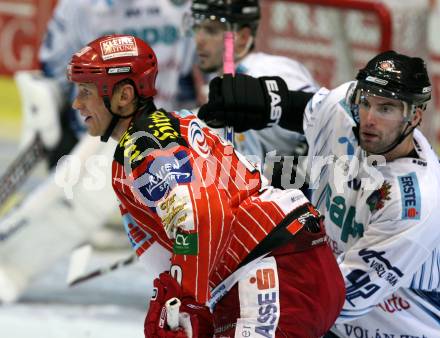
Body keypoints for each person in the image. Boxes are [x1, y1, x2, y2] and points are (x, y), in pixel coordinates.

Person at [68, 34, 345, 337]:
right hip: (291, 264)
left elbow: (199, 217)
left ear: (123, 96)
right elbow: (174, 240)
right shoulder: (171, 127)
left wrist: (184, 299)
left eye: (85, 91)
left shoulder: (145, 145)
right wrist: (176, 294)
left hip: (273, 271)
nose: (76, 102)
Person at [198, 51, 440, 337]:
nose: (369, 118)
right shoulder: (349, 110)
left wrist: (253, 296)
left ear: (414, 116)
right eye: (366, 102)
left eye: (386, 109)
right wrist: (266, 101)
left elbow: (346, 297)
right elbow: (313, 109)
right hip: (331, 306)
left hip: (399, 323)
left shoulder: (415, 203)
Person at [0, 0, 194, 303]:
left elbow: (198, 74)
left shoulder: (183, 6)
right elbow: (55, 76)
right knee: (90, 189)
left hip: (162, 135)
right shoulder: (80, 7)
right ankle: (11, 267)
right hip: (98, 135)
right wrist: (47, 113)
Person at [190, 0, 317, 185]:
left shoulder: (270, 70)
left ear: (242, 37)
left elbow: (327, 119)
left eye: (211, 31)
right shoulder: (222, 78)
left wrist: (292, 172)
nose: (198, 40)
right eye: (197, 28)